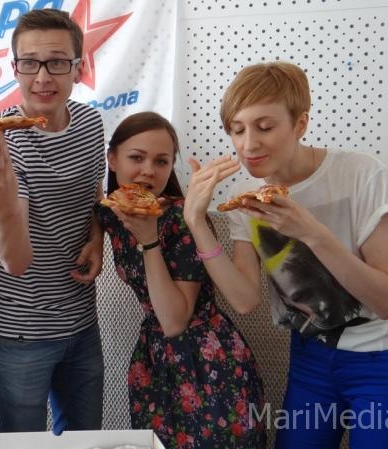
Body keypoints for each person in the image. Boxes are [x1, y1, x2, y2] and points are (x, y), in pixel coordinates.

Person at [183, 61, 388, 449]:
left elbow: (387, 301)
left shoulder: (361, 174)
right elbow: (244, 300)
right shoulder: (245, 198)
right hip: (311, 361)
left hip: (383, 360)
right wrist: (196, 221)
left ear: (300, 124)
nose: (249, 144)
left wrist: (311, 232)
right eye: (237, 129)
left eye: (265, 127)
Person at [0, 8, 106, 433]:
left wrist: (96, 238)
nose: (43, 77)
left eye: (57, 62)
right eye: (30, 63)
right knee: (22, 443)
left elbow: (94, 195)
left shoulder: (91, 123)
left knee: (85, 440)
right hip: (21, 332)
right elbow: (15, 262)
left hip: (82, 319)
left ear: (78, 68)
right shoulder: (2, 142)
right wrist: (1, 208)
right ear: (15, 69)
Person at [94, 112, 266, 449]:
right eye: (136, 157)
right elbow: (95, 209)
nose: (148, 170)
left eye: (161, 161)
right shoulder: (115, 211)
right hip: (153, 360)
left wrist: (149, 242)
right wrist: (92, 242)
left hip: (206, 361)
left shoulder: (180, 219)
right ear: (112, 159)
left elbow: (174, 321)